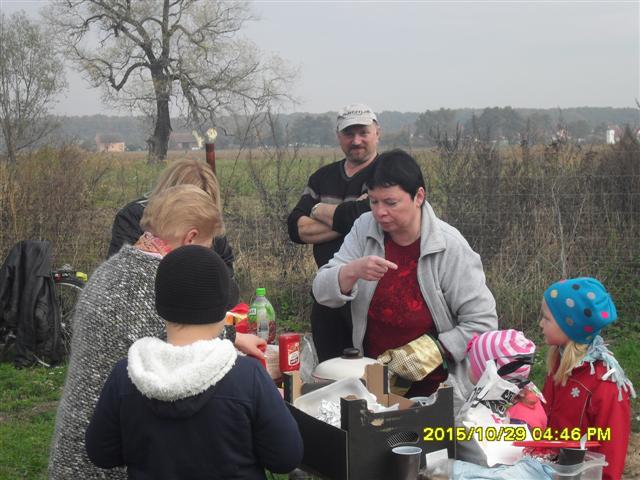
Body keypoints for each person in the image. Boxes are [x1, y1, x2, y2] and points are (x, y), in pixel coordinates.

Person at [49, 185, 265, 480]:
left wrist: (234, 337)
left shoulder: (112, 270)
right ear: (190, 239)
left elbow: (163, 331)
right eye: (207, 247)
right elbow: (185, 351)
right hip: (105, 460)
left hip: (79, 441)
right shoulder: (154, 284)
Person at [85, 245, 303, 479]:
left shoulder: (126, 375)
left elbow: (101, 453)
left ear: (160, 307)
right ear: (224, 312)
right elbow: (286, 458)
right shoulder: (248, 377)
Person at [312, 149, 497, 410]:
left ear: (418, 196)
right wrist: (352, 271)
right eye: (373, 201)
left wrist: (429, 351)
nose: (380, 212)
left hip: (438, 392)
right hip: (374, 387)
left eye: (391, 203)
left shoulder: (450, 246)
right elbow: (321, 291)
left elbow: (483, 323)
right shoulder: (364, 228)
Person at [288, 103, 381, 361]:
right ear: (339, 136)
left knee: (373, 371)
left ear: (377, 133)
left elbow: (365, 217)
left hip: (371, 297)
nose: (356, 140)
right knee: (329, 371)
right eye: (349, 134)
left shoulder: (385, 174)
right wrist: (350, 216)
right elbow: (295, 228)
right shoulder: (322, 177)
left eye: (363, 132)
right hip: (327, 293)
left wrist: (318, 210)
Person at [540, 277, 635, 480]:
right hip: (551, 470)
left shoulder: (605, 384)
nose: (541, 324)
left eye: (547, 319)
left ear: (569, 326)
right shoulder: (559, 365)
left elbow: (611, 454)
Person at [107, 158, 235, 273]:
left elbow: (226, 269)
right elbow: (120, 272)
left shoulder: (208, 221)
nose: (202, 212)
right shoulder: (132, 217)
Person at [466, 329, 546, 430]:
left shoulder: (514, 422)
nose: (468, 366)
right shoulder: (527, 399)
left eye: (472, 362)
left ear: (487, 378)